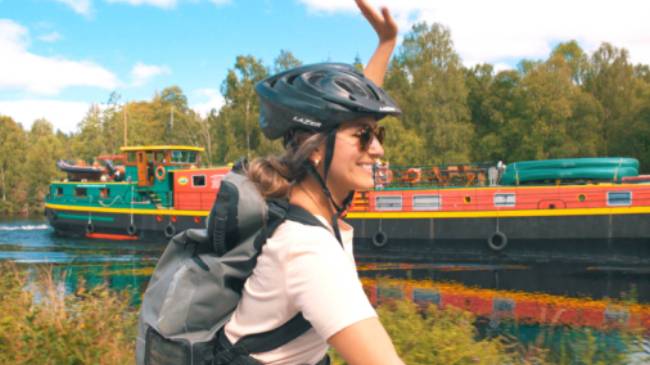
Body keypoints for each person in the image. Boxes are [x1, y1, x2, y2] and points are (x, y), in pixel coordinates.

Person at [223, 1, 405, 364]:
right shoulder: (310, 252)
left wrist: (385, 44)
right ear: (316, 151)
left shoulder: (295, 206)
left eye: (377, 133)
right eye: (365, 137)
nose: (379, 149)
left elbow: (343, 125)